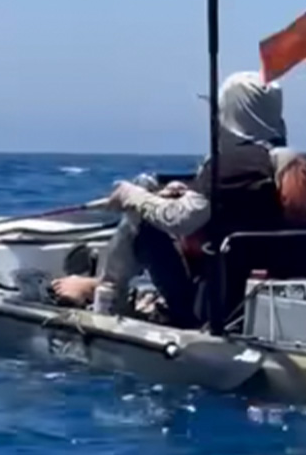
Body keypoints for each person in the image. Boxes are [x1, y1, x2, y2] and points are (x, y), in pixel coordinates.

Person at [52, 71, 289, 326]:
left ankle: (107, 297)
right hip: (259, 303)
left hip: (213, 309)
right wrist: (189, 190)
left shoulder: (232, 164)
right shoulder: (284, 163)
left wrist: (132, 195)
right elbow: (235, 207)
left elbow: (179, 219)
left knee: (142, 220)